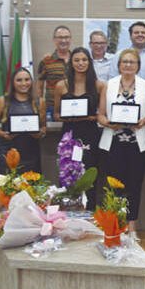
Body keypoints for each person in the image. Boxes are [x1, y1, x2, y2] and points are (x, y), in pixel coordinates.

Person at [98, 48, 145, 237]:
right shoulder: (109, 85)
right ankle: (115, 226)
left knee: (134, 186)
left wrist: (144, 121)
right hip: (112, 143)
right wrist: (107, 122)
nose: (128, 65)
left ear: (138, 66)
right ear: (119, 65)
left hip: (137, 143)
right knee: (113, 186)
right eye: (125, 62)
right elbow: (100, 114)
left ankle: (131, 228)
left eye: (132, 62)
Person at [53, 47, 105, 206]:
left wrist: (91, 117)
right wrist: (68, 116)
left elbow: (102, 114)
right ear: (71, 63)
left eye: (84, 60)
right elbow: (56, 114)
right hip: (69, 135)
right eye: (77, 60)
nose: (81, 63)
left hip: (90, 135)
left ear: (89, 62)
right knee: (68, 174)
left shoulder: (99, 85)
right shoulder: (61, 86)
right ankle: (66, 217)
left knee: (89, 175)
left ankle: (89, 216)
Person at [0, 67, 46, 175]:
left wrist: (39, 133)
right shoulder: (3, 101)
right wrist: (3, 134)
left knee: (31, 190)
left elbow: (43, 127)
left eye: (27, 79)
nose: (24, 83)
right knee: (6, 190)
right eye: (19, 80)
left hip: (31, 154)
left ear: (31, 81)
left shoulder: (39, 102)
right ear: (13, 83)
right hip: (7, 154)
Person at [37, 25, 72, 115]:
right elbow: (39, 87)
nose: (63, 40)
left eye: (66, 37)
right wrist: (40, 106)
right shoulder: (46, 61)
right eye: (60, 37)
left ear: (70, 39)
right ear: (54, 40)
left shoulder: (77, 60)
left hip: (73, 105)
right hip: (51, 107)